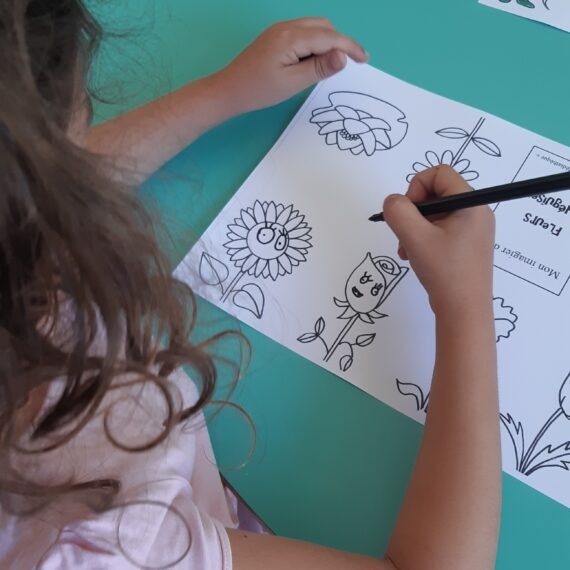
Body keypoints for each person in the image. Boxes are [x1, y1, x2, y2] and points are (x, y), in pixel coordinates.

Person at [0, 2, 501, 569]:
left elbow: (34, 194)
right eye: (81, 119)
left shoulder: (21, 237)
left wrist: (222, 93)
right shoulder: (102, 542)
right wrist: (465, 303)